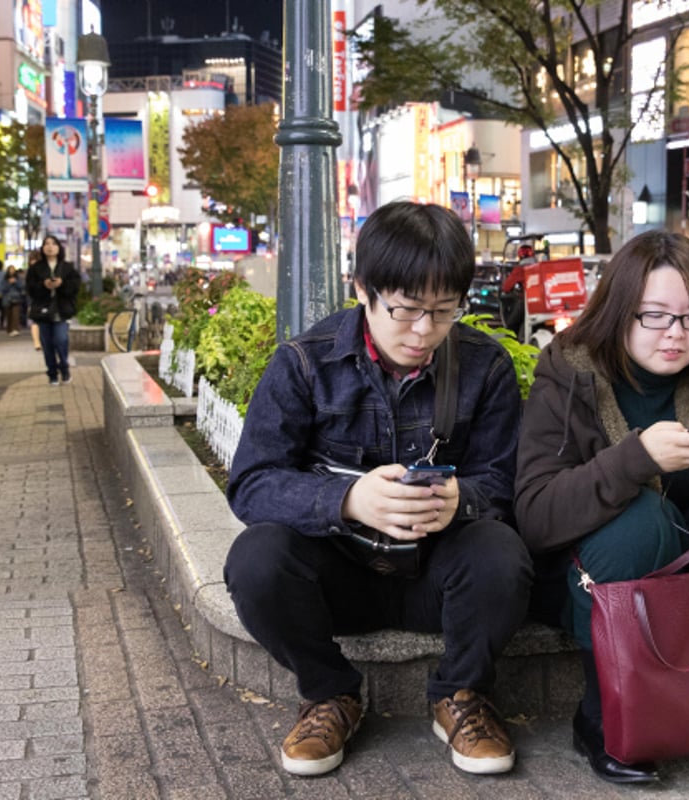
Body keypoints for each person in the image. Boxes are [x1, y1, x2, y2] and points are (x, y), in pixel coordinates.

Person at [223, 201, 532, 778]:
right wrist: (346, 501)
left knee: (501, 552)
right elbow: (251, 484)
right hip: (336, 577)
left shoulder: (484, 366)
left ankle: (462, 695)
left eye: (444, 313)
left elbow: (507, 481)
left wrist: (460, 500)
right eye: (407, 310)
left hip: (440, 576)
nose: (424, 332)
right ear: (363, 289)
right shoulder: (304, 364)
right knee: (255, 560)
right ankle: (330, 694)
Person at [514, 230, 689, 785]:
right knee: (637, 522)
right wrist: (636, 457)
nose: (676, 335)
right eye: (655, 316)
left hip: (687, 563)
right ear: (620, 310)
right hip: (586, 570)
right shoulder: (567, 373)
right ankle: (603, 716)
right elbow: (535, 514)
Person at [26, 234, 80, 384]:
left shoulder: (67, 267)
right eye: (46, 244)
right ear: (42, 248)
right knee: (47, 344)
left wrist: (61, 284)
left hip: (61, 310)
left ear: (58, 247)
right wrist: (44, 285)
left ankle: (64, 366)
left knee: (61, 339)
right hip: (43, 311)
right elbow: (29, 289)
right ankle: (52, 373)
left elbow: (75, 286)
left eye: (53, 244)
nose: (50, 247)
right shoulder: (36, 268)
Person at [2, 265, 23, 336]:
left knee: (16, 314)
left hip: (16, 298)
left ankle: (16, 329)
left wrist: (15, 282)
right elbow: (3, 288)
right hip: (7, 299)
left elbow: (21, 286)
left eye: (13, 269)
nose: (12, 271)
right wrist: (9, 283)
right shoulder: (4, 279)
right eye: (10, 269)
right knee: (9, 315)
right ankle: (9, 329)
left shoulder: (18, 278)